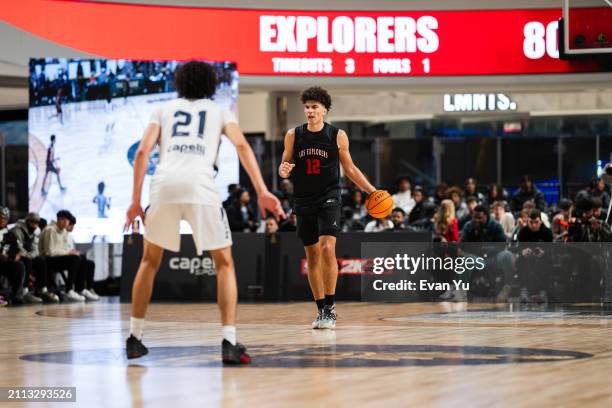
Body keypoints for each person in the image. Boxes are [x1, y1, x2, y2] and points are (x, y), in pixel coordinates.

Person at [124, 61, 284, 364]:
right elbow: (242, 146)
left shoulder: (163, 109)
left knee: (149, 261)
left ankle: (134, 338)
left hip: (164, 187)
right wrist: (262, 190)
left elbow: (143, 152)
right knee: (224, 264)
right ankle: (229, 341)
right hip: (200, 185)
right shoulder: (221, 111)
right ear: (212, 85)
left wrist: (135, 200)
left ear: (180, 82)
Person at [279, 86, 376, 329]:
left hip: (329, 196)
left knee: (326, 247)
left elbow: (351, 170)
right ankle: (321, 308)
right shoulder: (294, 134)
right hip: (303, 198)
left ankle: (331, 307)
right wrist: (283, 169)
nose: (310, 111)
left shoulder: (337, 135)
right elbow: (285, 162)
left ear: (324, 109)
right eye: (307, 107)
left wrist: (372, 191)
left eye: (315, 107)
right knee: (311, 255)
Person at [39, 210, 85, 302]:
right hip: (47, 260)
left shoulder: (63, 231)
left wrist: (70, 251)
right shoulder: (50, 230)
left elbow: (64, 248)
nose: (66, 222)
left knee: (82, 258)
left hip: (57, 258)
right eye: (63, 220)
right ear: (58, 219)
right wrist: (68, 253)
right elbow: (49, 252)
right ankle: (69, 290)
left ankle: (80, 289)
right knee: (75, 259)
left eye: (67, 220)